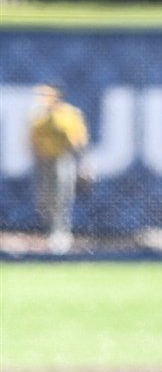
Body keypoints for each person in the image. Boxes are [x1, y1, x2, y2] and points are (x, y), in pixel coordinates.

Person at [28, 84, 90, 254]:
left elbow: (80, 141)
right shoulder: (38, 116)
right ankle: (49, 231)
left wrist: (84, 164)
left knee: (62, 196)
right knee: (45, 198)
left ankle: (60, 234)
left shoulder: (69, 114)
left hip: (63, 159)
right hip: (44, 161)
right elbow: (32, 141)